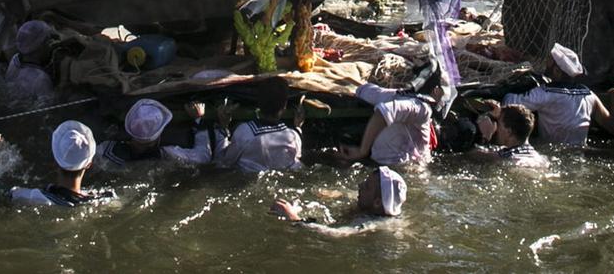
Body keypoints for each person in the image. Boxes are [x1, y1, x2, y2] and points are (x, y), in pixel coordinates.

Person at [166, 77, 305, 171]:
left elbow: (223, 160)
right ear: (285, 106)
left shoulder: (246, 132)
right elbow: (295, 159)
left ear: (258, 104)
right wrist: (298, 126)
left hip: (243, 178)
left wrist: (223, 127)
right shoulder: (293, 136)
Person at [506, 44, 610, 146]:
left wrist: (517, 78)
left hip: (550, 152)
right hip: (579, 151)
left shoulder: (545, 93)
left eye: (549, 62)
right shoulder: (589, 96)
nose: (546, 63)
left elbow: (509, 102)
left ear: (556, 71)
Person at [10, 120, 115, 206]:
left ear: (55, 161)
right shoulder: (104, 198)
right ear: (88, 164)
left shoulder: (35, 197)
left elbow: (9, 194)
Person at [341, 79, 436, 169]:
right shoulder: (422, 108)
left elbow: (362, 90)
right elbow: (384, 112)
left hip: (377, 164)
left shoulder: (388, 96)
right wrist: (362, 151)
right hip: (400, 168)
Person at [272, 165, 407, 226]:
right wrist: (339, 193)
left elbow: (336, 235)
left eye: (366, 186)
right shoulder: (374, 205)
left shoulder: (371, 224)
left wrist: (294, 218)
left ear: (377, 203)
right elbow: (360, 195)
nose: (360, 186)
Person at [476, 102, 546, 166]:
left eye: (498, 124)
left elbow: (470, 153)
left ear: (509, 132)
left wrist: (485, 136)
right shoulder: (539, 158)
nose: (495, 127)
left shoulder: (504, 158)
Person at [5, 20, 56, 100]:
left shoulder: (15, 60)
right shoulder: (41, 79)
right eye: (48, 42)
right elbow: (47, 109)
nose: (50, 46)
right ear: (40, 45)